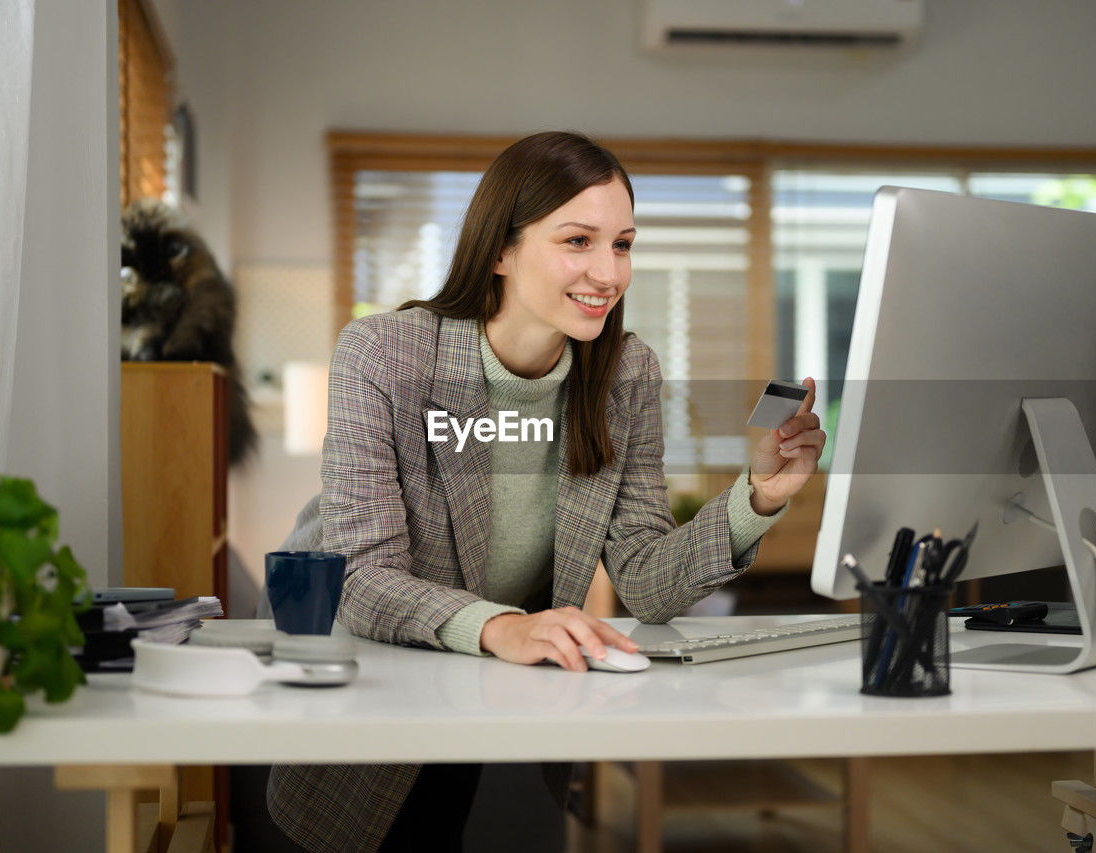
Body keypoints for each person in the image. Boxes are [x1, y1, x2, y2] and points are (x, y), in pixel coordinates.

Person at [266, 131, 826, 852]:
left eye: (622, 244)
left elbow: (647, 580)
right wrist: (506, 625)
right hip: (356, 667)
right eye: (577, 240)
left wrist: (760, 497)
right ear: (500, 250)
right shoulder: (381, 354)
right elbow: (361, 577)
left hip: (477, 677)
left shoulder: (626, 374)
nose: (607, 270)